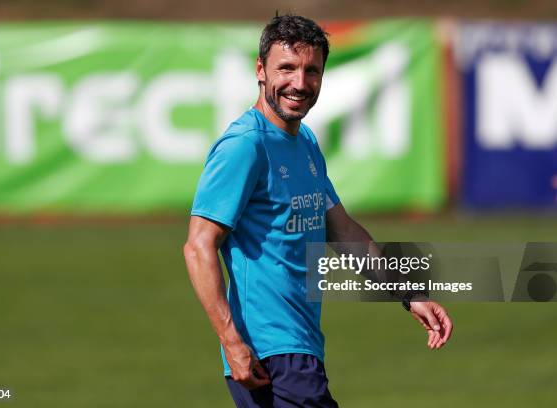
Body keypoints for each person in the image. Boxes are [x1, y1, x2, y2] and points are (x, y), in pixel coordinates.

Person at [183, 14, 453, 407]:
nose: (300, 82)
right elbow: (198, 246)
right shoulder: (245, 145)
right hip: (270, 352)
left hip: (299, 349)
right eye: (287, 68)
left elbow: (343, 232)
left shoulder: (304, 141)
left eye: (312, 70)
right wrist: (231, 341)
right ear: (260, 70)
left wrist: (408, 292)